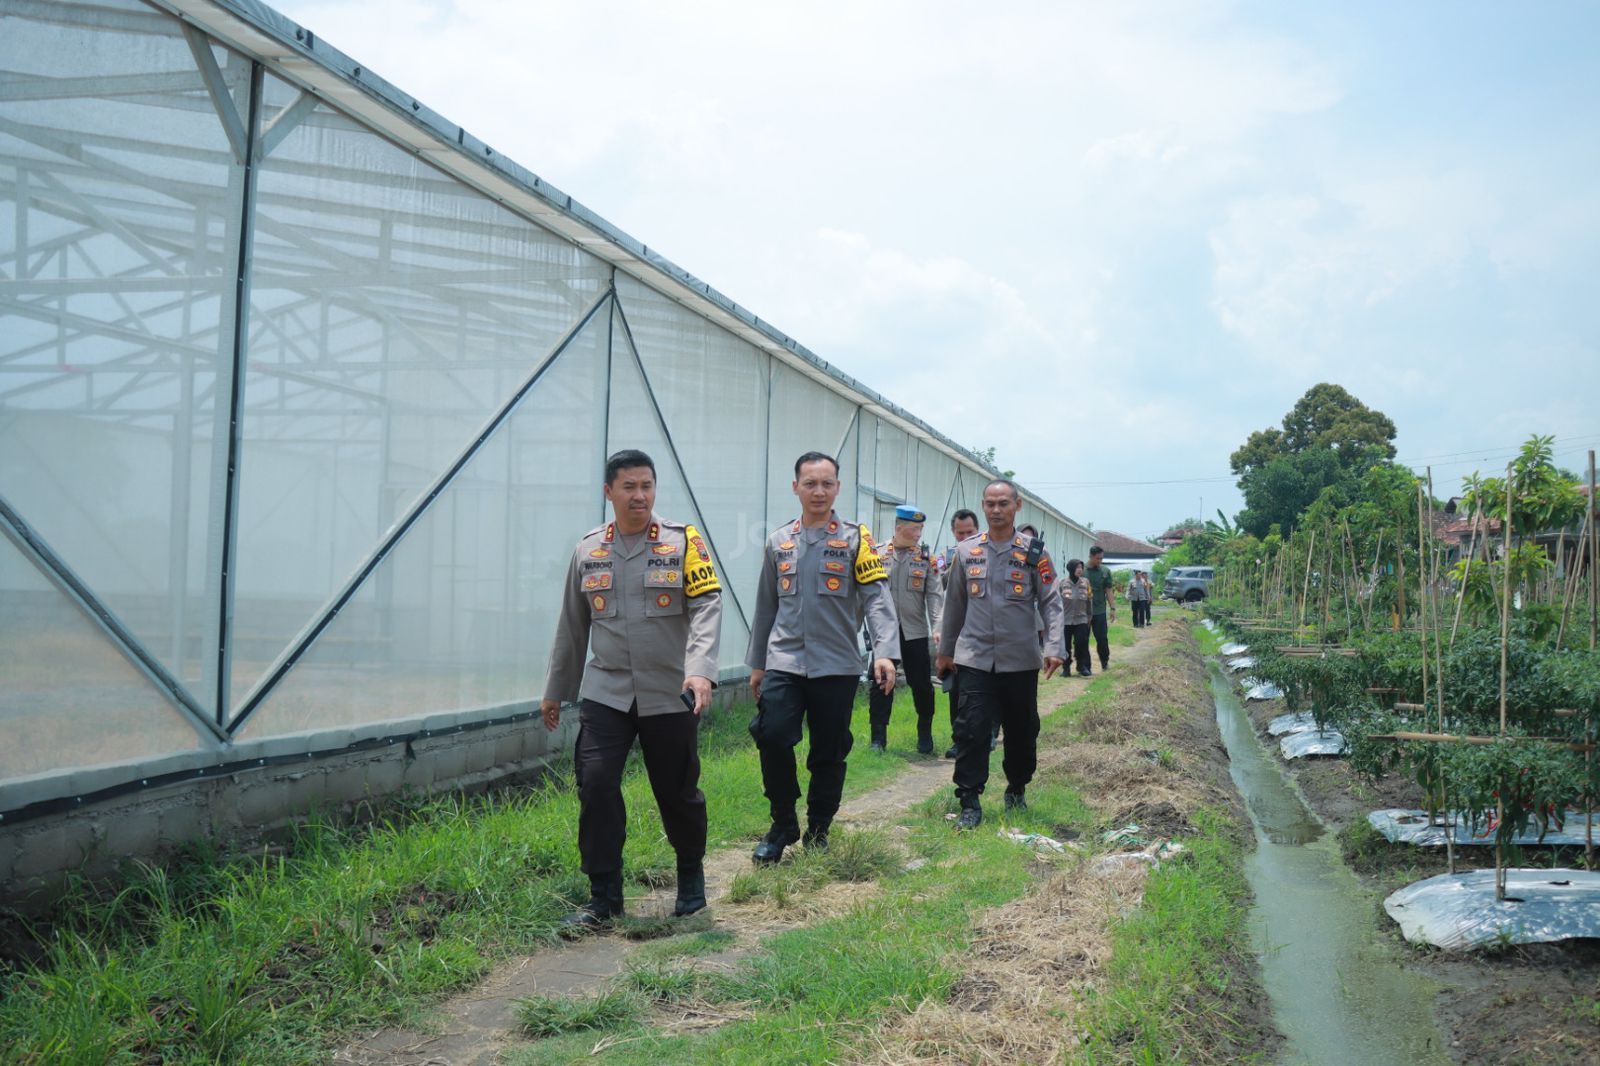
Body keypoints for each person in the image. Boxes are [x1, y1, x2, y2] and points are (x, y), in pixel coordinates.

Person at [542, 449, 723, 926]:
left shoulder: (683, 543)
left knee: (676, 790)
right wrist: (556, 689)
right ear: (609, 493)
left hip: (670, 691)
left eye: (647, 486)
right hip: (608, 693)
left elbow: (707, 605)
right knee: (596, 784)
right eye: (629, 487)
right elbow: (572, 625)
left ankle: (690, 879)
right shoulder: (588, 550)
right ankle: (603, 898)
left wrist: (700, 668)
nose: (640, 495)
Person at [746, 451, 898, 865]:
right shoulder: (779, 541)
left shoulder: (854, 539)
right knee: (773, 734)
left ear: (838, 488)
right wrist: (758, 663)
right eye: (810, 483)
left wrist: (884, 652)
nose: (818, 491)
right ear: (795, 486)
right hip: (785, 660)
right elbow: (765, 606)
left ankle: (819, 826)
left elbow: (876, 598)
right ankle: (782, 823)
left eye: (826, 483)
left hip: (837, 664)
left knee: (829, 750)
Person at [936, 479, 1065, 828]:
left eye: (1003, 503)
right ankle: (969, 801)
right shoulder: (966, 552)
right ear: (983, 506)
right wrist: (945, 652)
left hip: (1020, 659)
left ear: (1017, 506)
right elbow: (954, 606)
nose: (996, 510)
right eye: (990, 504)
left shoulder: (1034, 552)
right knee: (971, 729)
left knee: (1023, 730)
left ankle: (1017, 787)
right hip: (975, 658)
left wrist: (1054, 647)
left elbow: (1051, 601)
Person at [868, 504, 944, 754]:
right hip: (885, 634)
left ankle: (925, 732)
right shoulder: (877, 555)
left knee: (921, 685)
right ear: (899, 528)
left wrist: (938, 627)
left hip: (915, 632)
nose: (918, 534)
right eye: (914, 529)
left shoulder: (925, 559)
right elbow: (865, 593)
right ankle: (878, 738)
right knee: (880, 683)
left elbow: (934, 596)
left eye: (920, 529)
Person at [939, 508, 980, 759]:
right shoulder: (946, 557)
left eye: (970, 532)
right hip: (957, 632)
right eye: (960, 533)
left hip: (982, 635)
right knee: (955, 691)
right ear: (953, 532)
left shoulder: (988, 552)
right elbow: (940, 591)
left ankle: (984, 736)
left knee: (983, 692)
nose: (965, 537)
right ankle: (959, 739)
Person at [1084, 546, 1116, 671]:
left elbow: (1108, 590)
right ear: (1090, 556)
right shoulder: (1082, 570)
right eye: (1097, 558)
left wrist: (1112, 608)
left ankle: (1104, 662)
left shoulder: (1105, 571)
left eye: (1101, 558)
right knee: (1083, 640)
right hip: (1084, 612)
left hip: (1099, 611)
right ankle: (1085, 666)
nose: (1100, 561)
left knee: (1102, 638)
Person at [1061, 558, 1094, 676]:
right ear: (1071, 569)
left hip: (1082, 619)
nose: (1080, 570)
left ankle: (1081, 666)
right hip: (1066, 620)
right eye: (1077, 567)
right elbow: (1056, 602)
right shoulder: (1063, 583)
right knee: (1065, 646)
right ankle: (1066, 668)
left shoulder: (1086, 582)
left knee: (1081, 643)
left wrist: (1090, 616)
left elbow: (1089, 599)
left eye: (1081, 567)